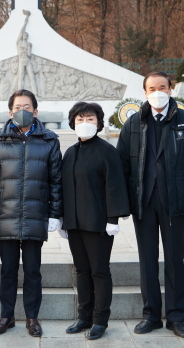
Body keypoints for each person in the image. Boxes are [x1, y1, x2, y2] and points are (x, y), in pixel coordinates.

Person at [117, 71, 184, 338]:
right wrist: (123, 203)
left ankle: (176, 317)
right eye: (151, 88)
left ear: (171, 89)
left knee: (174, 260)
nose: (157, 91)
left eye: (162, 87)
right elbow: (122, 165)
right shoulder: (134, 123)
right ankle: (151, 315)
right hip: (143, 202)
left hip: (174, 201)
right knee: (147, 261)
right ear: (145, 93)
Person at [0, 89, 62, 337]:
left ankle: (32, 317)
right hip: (6, 215)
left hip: (35, 215)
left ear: (36, 111)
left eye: (27, 107)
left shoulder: (49, 139)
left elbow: (56, 181)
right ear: (10, 112)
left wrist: (54, 214)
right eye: (18, 107)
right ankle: (6, 316)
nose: (23, 111)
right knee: (7, 271)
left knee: (32, 271)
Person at [60, 102, 130, 340]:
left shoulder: (107, 151)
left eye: (90, 119)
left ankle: (100, 320)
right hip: (75, 223)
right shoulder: (70, 153)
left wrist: (113, 218)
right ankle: (84, 317)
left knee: (99, 271)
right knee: (81, 271)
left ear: (99, 123)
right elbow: (64, 189)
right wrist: (62, 219)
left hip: (98, 223)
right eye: (80, 120)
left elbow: (115, 185)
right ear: (73, 123)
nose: (85, 124)